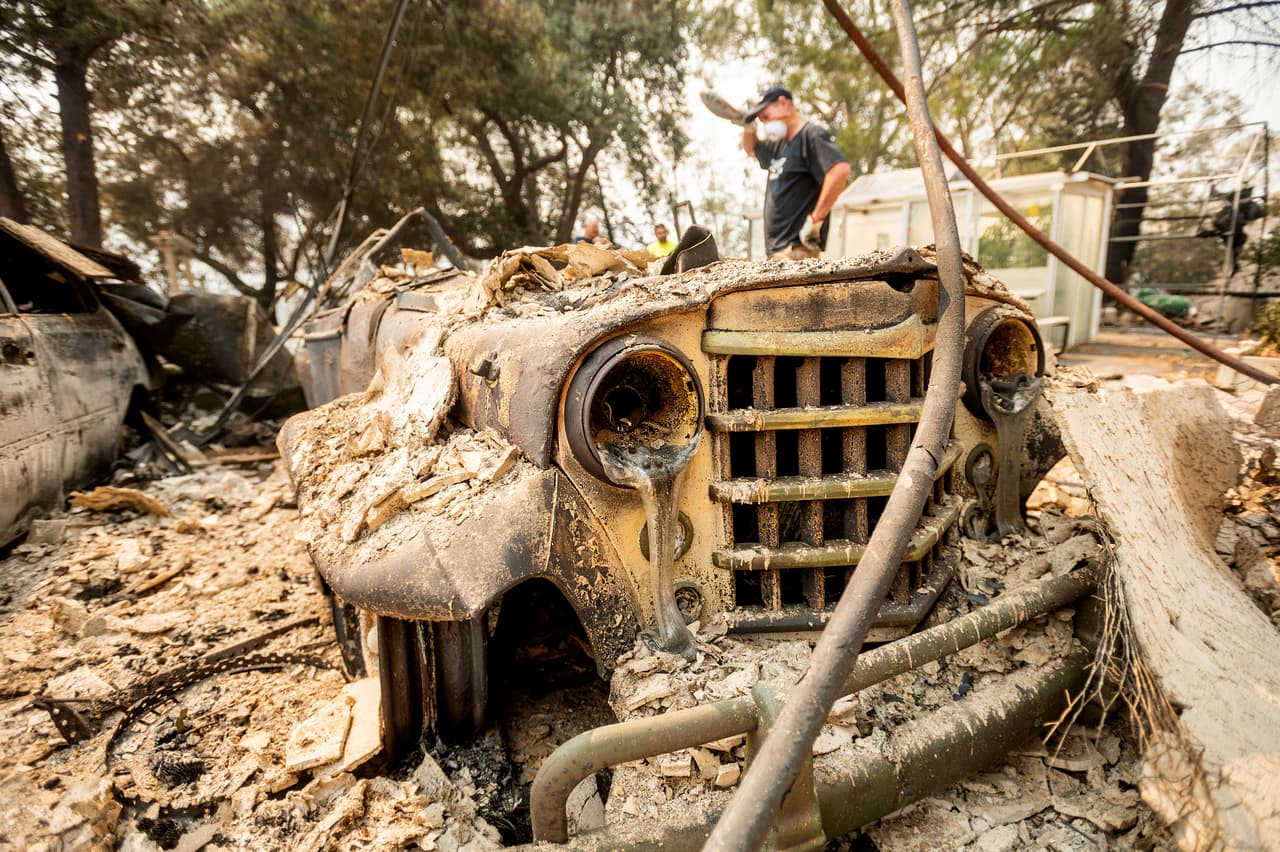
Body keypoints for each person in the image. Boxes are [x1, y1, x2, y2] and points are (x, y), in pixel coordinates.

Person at [739, 86, 851, 260]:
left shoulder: (811, 136)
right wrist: (748, 127)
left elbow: (839, 170)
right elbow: (751, 148)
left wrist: (816, 218)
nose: (766, 124)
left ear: (783, 103)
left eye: (767, 117)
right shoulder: (778, 146)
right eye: (761, 121)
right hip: (778, 251)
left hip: (797, 250)